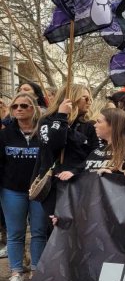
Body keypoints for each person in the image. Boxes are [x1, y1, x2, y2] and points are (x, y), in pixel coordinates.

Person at [1, 93, 48, 281]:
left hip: (38, 191)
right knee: (15, 233)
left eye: (24, 106)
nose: (19, 109)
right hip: (11, 190)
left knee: (38, 232)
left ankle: (36, 273)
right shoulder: (4, 134)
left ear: (34, 109)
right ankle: (16, 274)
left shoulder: (43, 134)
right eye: (15, 106)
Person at [37, 84, 97, 213]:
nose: (89, 102)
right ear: (71, 99)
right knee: (55, 228)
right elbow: (53, 145)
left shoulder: (90, 126)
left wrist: (76, 171)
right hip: (53, 184)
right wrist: (62, 117)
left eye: (90, 99)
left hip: (80, 182)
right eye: (85, 98)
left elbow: (95, 155)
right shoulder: (46, 121)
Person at [76, 108, 125, 174]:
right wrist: (71, 173)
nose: (95, 125)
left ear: (113, 125)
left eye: (99, 122)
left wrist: (112, 176)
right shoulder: (97, 151)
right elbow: (79, 170)